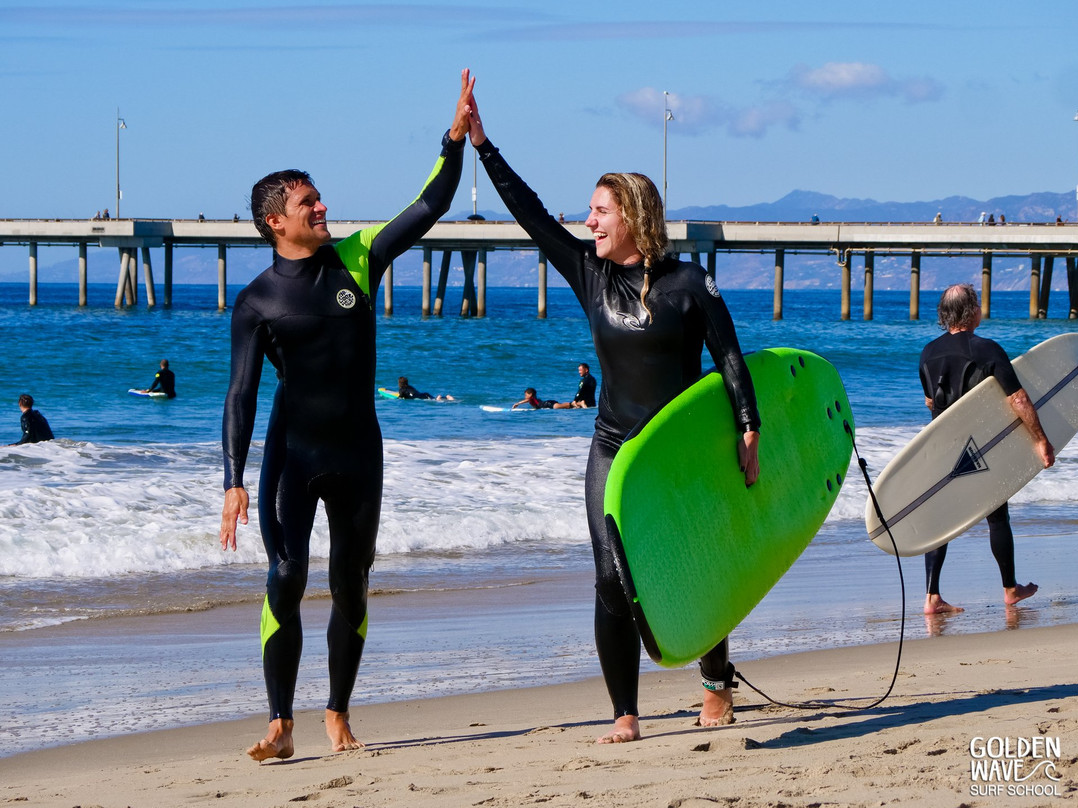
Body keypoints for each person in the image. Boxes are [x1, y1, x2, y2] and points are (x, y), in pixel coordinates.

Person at [468, 82, 760, 743]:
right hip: (612, 445)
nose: (589, 221)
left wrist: (749, 427)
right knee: (610, 577)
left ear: (631, 215)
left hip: (677, 448)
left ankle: (716, 683)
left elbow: (732, 358)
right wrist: (483, 146)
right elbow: (530, 213)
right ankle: (626, 714)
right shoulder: (588, 274)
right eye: (591, 211)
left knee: (691, 565)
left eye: (600, 211)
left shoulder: (690, 284)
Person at [219, 70, 474, 762]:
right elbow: (240, 395)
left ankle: (336, 714)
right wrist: (232, 479)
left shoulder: (357, 259)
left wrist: (453, 141)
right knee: (286, 575)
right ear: (277, 220)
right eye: (308, 201)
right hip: (292, 455)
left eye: (318, 196)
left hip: (359, 451)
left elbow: (429, 206)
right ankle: (280, 720)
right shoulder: (256, 302)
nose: (322, 206)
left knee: (350, 584)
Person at [918, 284, 1053, 615]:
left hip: (942, 447)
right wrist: (1040, 438)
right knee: (997, 515)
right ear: (972, 311)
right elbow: (1017, 398)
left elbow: (930, 401)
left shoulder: (927, 353)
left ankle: (932, 597)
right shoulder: (987, 349)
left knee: (940, 519)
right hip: (981, 448)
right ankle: (1010, 589)